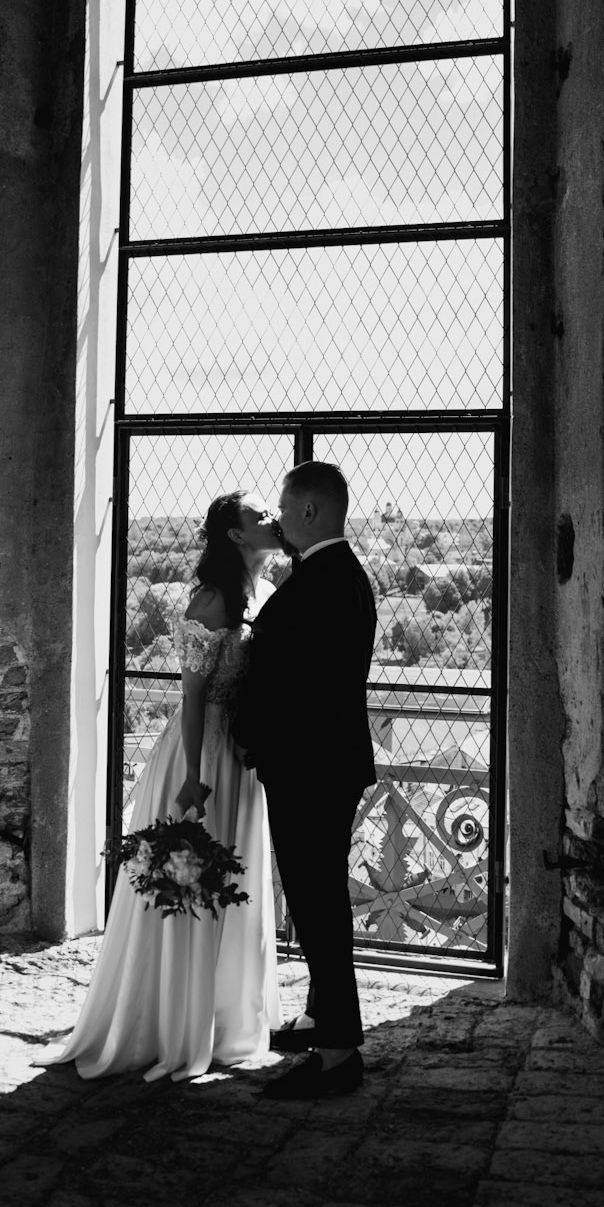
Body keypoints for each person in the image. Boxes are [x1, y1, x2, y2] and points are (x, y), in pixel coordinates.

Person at [52, 492, 284, 1081]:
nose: (272, 520)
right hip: (201, 755)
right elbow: (194, 697)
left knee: (233, 887)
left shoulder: (265, 592)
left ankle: (228, 1021)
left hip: (241, 755)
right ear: (235, 535)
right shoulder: (210, 601)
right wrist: (194, 779)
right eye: (259, 515)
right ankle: (173, 1025)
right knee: (192, 888)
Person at [233, 460, 377, 1100]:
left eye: (285, 508)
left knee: (319, 905)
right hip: (328, 761)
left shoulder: (321, 583)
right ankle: (322, 1017)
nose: (279, 518)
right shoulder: (345, 575)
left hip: (310, 767)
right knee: (319, 897)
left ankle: (339, 1054)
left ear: (310, 511)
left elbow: (292, 686)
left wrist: (248, 737)